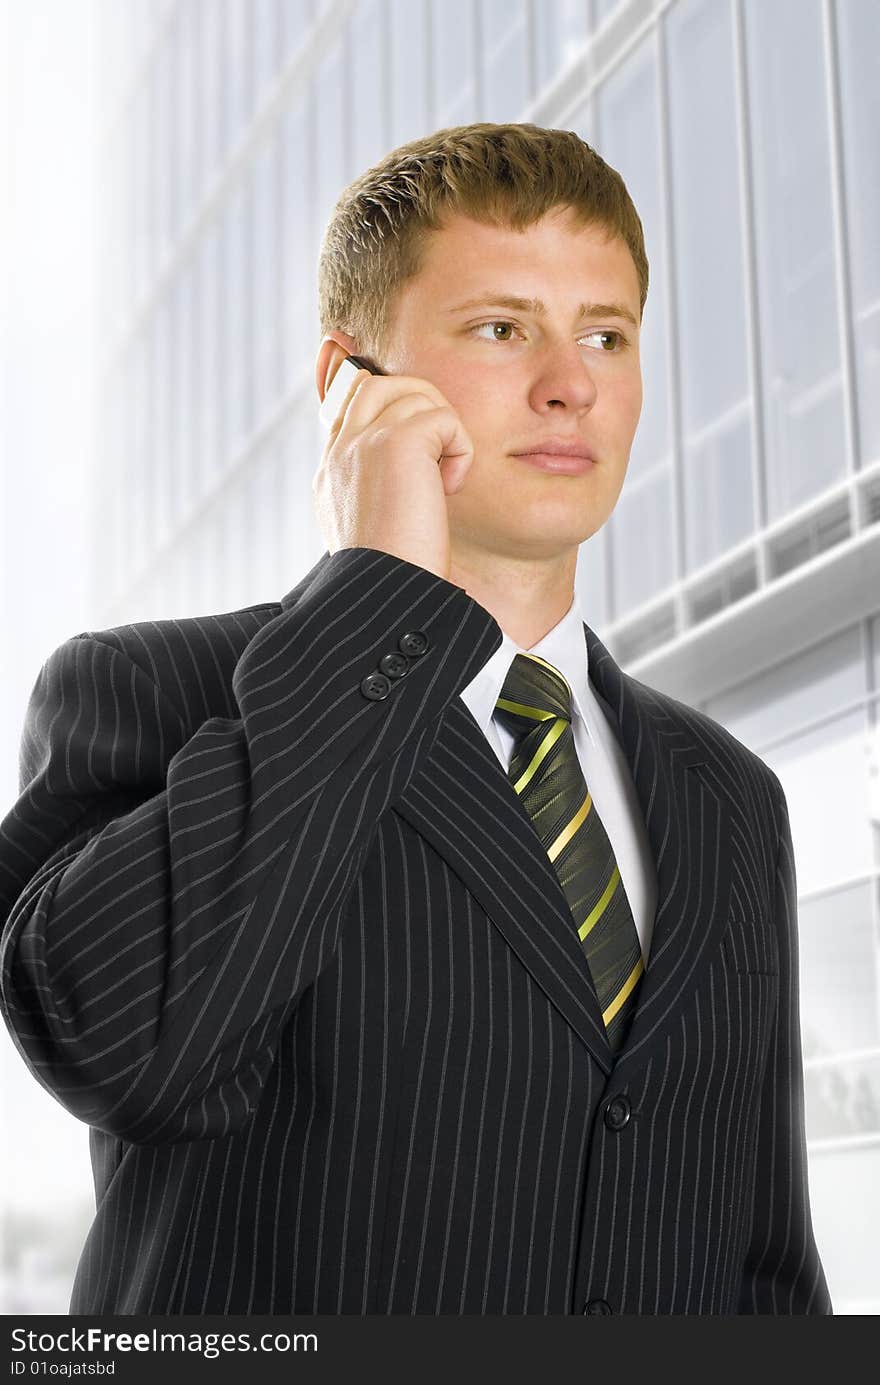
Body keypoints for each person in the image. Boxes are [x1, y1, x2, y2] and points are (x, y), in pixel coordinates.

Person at [0, 122, 831, 1315]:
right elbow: (134, 1053)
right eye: (502, 329)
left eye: (606, 334)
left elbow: (763, 1259)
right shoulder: (152, 691)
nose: (570, 383)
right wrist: (382, 578)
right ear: (350, 384)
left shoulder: (729, 794)